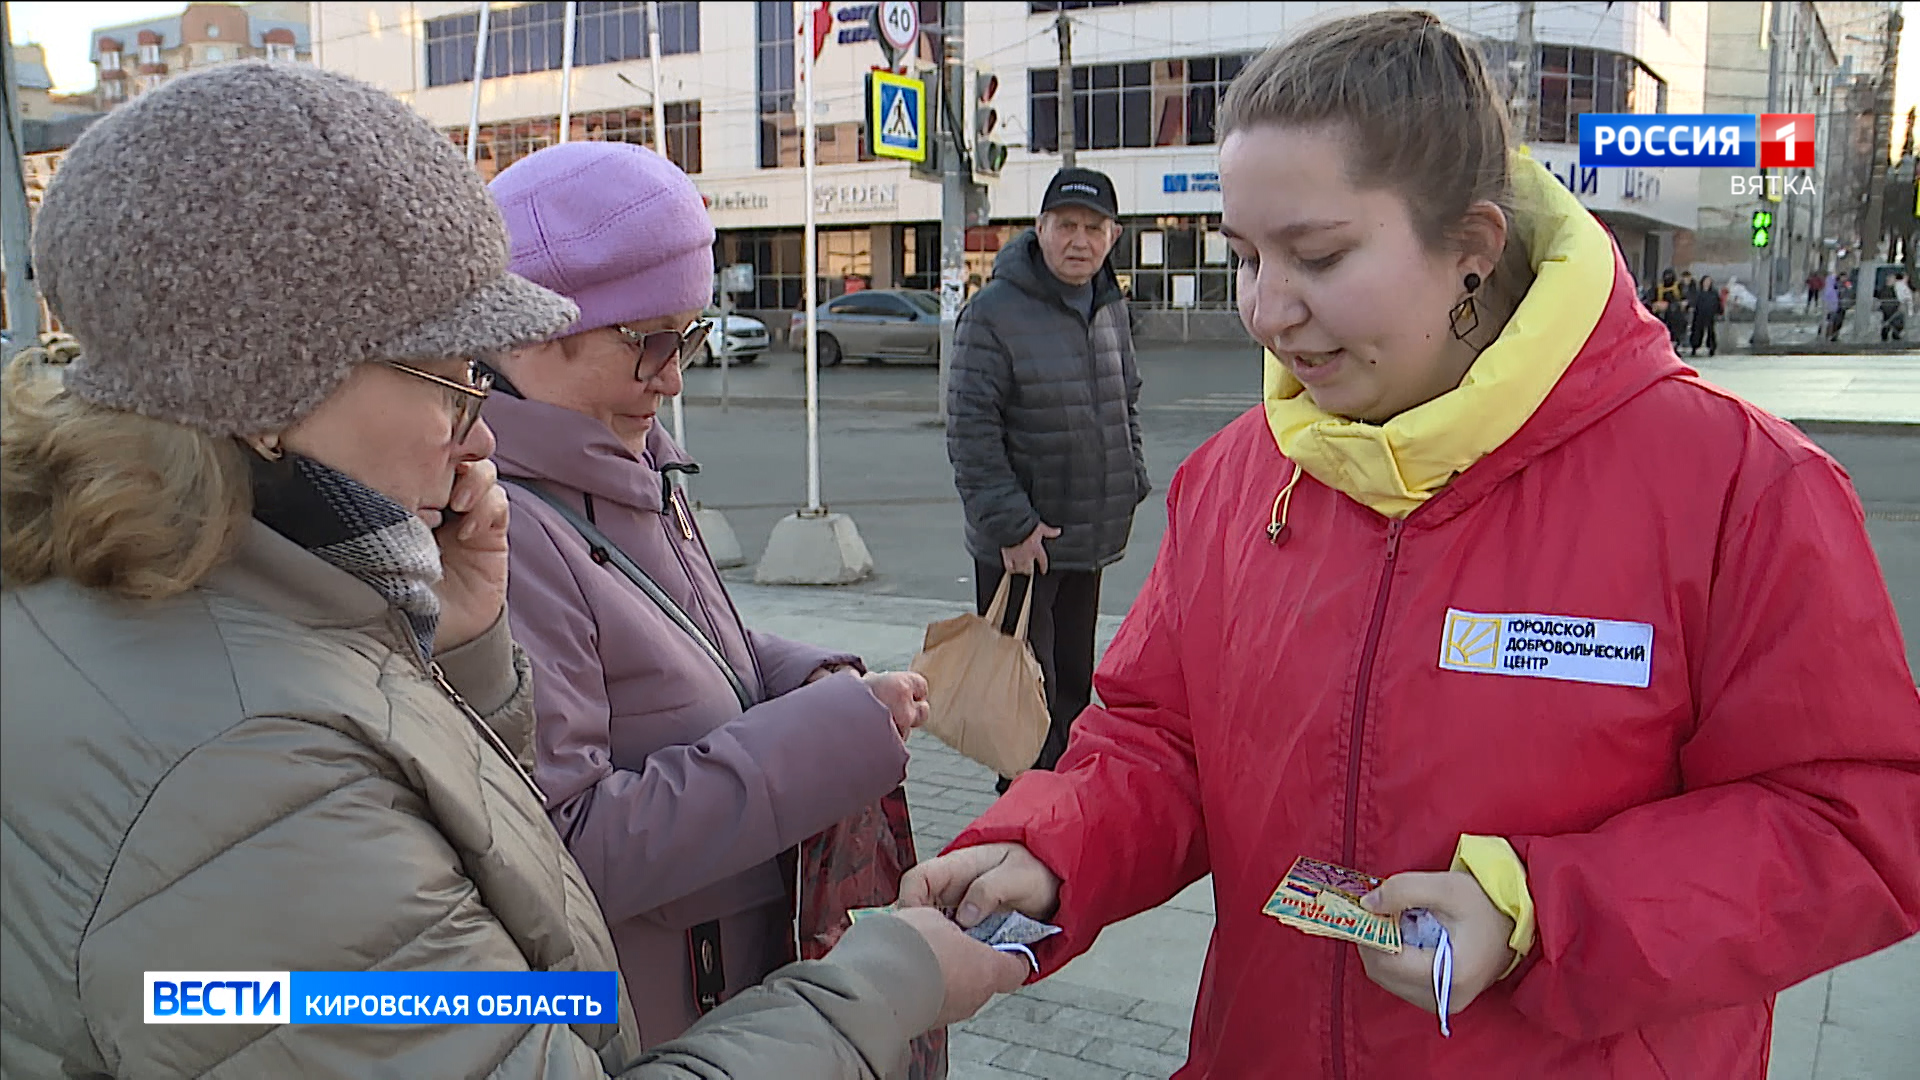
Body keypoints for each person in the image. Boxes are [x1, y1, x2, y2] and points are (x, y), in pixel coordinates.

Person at [902, 12, 1920, 1078]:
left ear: (1472, 248)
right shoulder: (1244, 477)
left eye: (1320, 255)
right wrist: (1049, 852)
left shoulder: (1738, 485)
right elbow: (1163, 743)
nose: (1265, 308)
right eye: (1244, 256)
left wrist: (1537, 911)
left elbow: (1852, 828)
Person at [0, 62, 1023, 1079]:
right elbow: (510, 961)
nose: (477, 432)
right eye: (453, 376)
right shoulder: (242, 770)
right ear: (266, 388)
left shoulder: (239, 591)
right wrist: (889, 981)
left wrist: (476, 660)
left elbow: (454, 967)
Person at [480, 140, 988, 1047]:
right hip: (654, 1010)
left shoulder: (623, 463)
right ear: (527, 329)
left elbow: (681, 642)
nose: (673, 376)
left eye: (691, 335)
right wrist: (829, 738)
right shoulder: (504, 533)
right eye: (649, 341)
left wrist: (811, 675)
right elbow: (573, 845)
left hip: (719, 971)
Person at [945, 166, 1151, 792]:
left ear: (1113, 236)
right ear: (1040, 229)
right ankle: (1018, 823)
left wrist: (1131, 479)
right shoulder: (993, 313)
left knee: (1070, 688)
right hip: (1022, 548)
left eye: (1094, 228)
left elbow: (1127, 401)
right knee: (1021, 707)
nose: (1080, 241)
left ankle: (1058, 817)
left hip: (1086, 540)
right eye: (1066, 226)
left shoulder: (1109, 306)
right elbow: (969, 428)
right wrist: (1011, 526)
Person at [1688, 273, 1723, 356]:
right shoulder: (1698, 292)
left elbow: (1718, 303)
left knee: (1711, 332)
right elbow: (1694, 302)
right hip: (1699, 315)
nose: (1707, 283)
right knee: (1697, 331)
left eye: (1709, 281)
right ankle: (1694, 347)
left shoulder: (1714, 293)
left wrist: (1719, 311)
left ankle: (1711, 348)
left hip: (1710, 315)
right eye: (1706, 281)